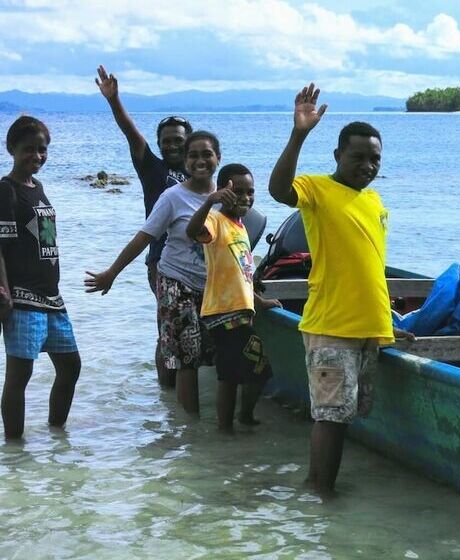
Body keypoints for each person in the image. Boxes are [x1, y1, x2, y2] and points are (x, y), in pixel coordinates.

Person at [268, 83, 413, 494]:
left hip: (367, 331)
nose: (368, 166)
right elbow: (279, 190)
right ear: (337, 156)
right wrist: (299, 133)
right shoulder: (317, 189)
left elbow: (369, 269)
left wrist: (387, 325)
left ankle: (321, 497)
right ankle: (319, 496)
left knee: (345, 415)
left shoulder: (375, 202)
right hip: (331, 328)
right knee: (330, 417)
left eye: (375, 159)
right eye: (358, 157)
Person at [85, 131, 221, 414]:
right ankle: (188, 428)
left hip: (210, 288)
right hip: (176, 283)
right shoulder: (173, 197)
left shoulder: (223, 197)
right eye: (193, 155)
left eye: (206, 154)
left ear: (218, 158)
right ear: (184, 161)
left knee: (208, 354)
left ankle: (198, 430)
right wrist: (112, 272)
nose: (200, 160)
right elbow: (143, 238)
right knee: (187, 360)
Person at [96, 65, 191, 388]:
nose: (172, 146)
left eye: (178, 140)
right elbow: (129, 131)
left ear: (189, 142)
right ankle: (167, 391)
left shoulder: (201, 176)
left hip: (198, 260)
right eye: (166, 141)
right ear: (159, 144)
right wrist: (114, 100)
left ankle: (185, 388)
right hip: (161, 260)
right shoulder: (152, 168)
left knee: (191, 325)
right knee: (168, 326)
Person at [0, 116, 81, 439]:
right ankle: (15, 447)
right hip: (22, 296)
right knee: (20, 375)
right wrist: (3, 290)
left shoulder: (38, 187)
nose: (36, 156)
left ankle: (57, 434)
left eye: (42, 150)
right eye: (28, 150)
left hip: (51, 296)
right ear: (11, 149)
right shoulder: (6, 190)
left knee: (70, 366)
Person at [186, 163, 281, 431]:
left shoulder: (240, 228)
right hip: (222, 314)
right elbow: (192, 231)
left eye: (250, 192)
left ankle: (242, 418)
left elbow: (243, 274)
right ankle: (226, 428)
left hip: (241, 313)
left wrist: (260, 303)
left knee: (248, 372)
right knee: (237, 374)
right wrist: (209, 202)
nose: (245, 198)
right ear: (222, 191)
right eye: (238, 191)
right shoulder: (215, 221)